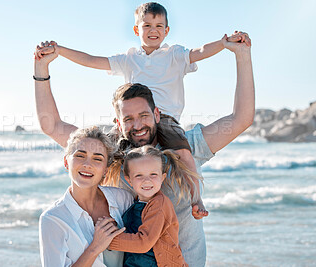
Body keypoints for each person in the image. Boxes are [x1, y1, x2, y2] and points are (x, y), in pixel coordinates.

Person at [34, 31, 254, 267]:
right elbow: (53, 126)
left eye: (144, 116)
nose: (137, 125)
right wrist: (41, 69)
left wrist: (242, 55)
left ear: (156, 114)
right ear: (118, 123)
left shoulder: (186, 145)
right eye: (128, 119)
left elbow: (241, 118)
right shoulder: (110, 154)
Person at [35, 2, 250, 215]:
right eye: (147, 26)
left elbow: (201, 52)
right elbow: (92, 61)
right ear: (137, 29)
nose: (153, 31)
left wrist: (228, 45)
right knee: (105, 150)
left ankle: (197, 199)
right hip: (123, 133)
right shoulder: (129, 59)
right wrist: (58, 53)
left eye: (158, 26)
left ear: (167, 31)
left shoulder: (174, 56)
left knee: (184, 154)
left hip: (168, 120)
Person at [39, 126, 134, 267]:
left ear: (105, 171)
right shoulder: (52, 219)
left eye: (97, 159)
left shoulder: (123, 199)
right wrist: (95, 247)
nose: (87, 164)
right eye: (80, 155)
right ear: (66, 162)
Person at [101, 145, 198, 266]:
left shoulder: (159, 204)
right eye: (139, 175)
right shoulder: (134, 204)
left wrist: (108, 241)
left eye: (153, 174)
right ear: (129, 180)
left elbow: (143, 243)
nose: (147, 180)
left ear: (162, 178)